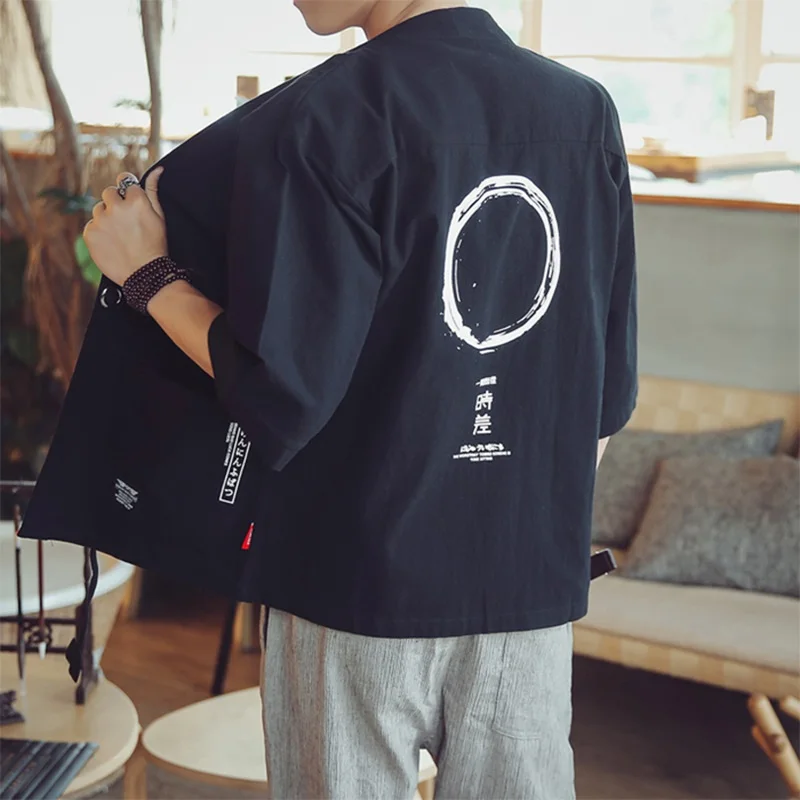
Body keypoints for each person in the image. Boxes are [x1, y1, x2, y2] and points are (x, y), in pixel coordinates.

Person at [84, 0, 637, 796]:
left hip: (355, 582)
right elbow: (603, 399)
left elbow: (283, 390)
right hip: (527, 593)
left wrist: (149, 276)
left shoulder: (331, 111)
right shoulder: (583, 112)